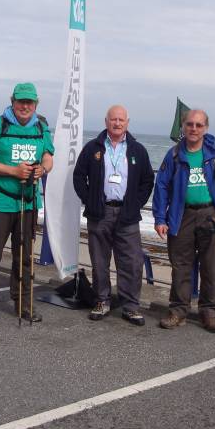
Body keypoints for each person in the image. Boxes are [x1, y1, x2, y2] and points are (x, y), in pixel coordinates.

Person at [152, 109, 215, 332]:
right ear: (183, 127)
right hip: (182, 215)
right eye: (189, 124)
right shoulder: (173, 155)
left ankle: (208, 312)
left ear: (206, 128)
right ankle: (178, 311)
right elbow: (161, 186)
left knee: (210, 266)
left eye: (199, 125)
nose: (193, 128)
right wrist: (160, 218)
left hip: (211, 215)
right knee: (180, 265)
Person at [0, 82, 54, 325]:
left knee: (26, 257)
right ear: (13, 101)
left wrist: (42, 169)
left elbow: (48, 157)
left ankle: (24, 303)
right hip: (0, 201)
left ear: (36, 104)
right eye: (21, 101)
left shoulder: (41, 127)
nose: (25, 106)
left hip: (28, 203)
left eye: (29, 102)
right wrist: (13, 171)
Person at [73, 105, 155, 325]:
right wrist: (89, 199)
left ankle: (130, 306)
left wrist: (135, 204)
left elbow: (148, 181)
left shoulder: (138, 150)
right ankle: (102, 301)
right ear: (106, 121)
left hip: (127, 214)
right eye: (113, 119)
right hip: (99, 213)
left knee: (131, 262)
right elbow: (79, 176)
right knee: (99, 260)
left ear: (128, 122)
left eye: (121, 120)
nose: (117, 123)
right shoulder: (93, 148)